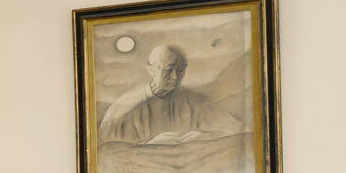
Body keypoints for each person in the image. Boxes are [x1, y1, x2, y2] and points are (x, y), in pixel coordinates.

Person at [99, 44, 240, 145]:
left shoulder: (197, 102)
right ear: (151, 70)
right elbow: (106, 151)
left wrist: (200, 137)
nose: (175, 77)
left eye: (180, 70)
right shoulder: (124, 108)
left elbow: (238, 131)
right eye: (168, 70)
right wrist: (151, 145)